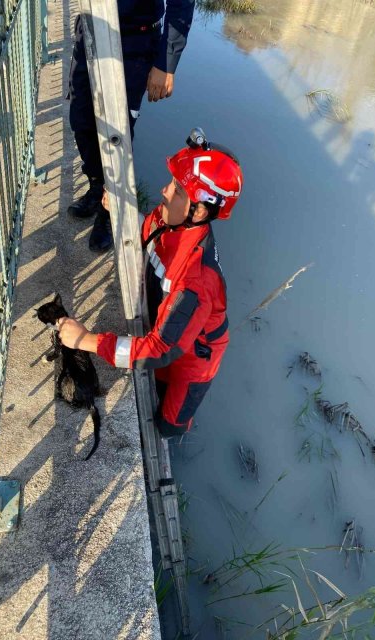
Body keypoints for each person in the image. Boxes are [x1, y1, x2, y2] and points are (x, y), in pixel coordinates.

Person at [56, 129, 242, 436]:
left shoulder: (195, 281)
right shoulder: (171, 219)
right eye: (172, 183)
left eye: (178, 190)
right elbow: (148, 231)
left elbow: (157, 350)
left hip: (197, 354)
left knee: (169, 425)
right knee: (159, 379)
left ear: (200, 211)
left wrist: (85, 340)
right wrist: (121, 212)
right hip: (170, 326)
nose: (165, 191)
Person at [67, 0, 196, 252]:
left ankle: (110, 208)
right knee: (81, 121)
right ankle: (96, 187)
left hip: (134, 42)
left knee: (117, 133)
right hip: (91, 32)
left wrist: (165, 63)